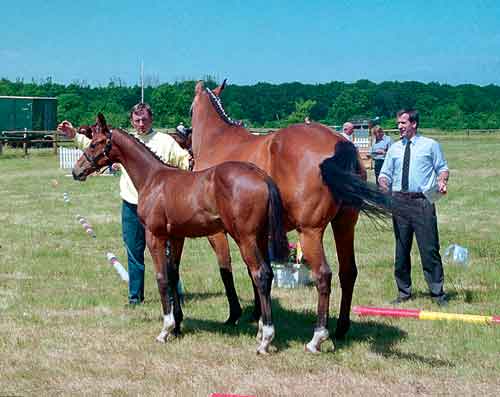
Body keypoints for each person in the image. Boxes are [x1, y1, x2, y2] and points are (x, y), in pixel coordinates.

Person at [58, 103, 190, 306]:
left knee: (167, 252)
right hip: (132, 204)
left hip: (162, 208)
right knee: (134, 252)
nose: (141, 124)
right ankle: (135, 297)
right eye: (137, 120)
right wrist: (74, 134)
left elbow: (184, 161)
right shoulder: (126, 141)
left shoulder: (165, 141)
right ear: (131, 121)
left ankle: (173, 293)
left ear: (151, 119)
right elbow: (96, 147)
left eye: (144, 119)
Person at [378, 109, 449, 306]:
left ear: (414, 124)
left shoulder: (430, 145)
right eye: (399, 123)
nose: (399, 127)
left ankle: (437, 294)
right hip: (399, 202)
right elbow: (385, 174)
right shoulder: (394, 148)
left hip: (422, 202)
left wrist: (442, 181)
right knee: (401, 250)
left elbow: (442, 168)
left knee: (429, 248)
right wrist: (383, 184)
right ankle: (403, 293)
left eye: (403, 123)